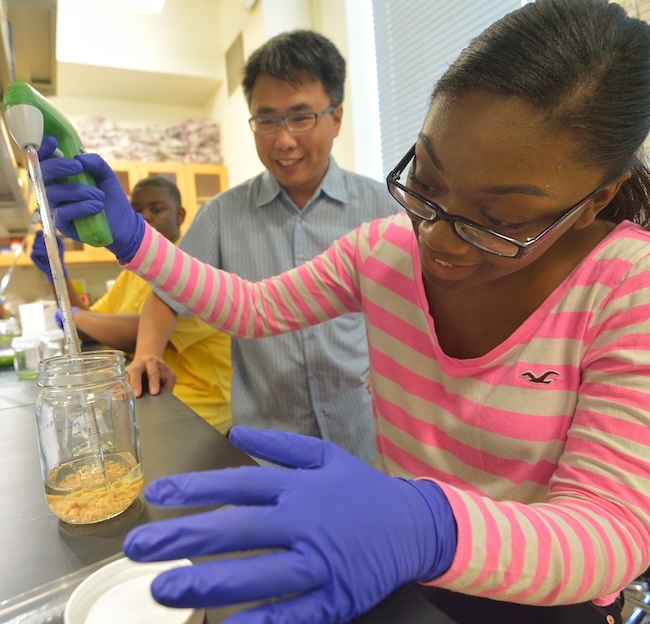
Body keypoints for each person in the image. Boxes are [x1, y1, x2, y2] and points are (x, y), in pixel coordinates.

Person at [38, 0, 650, 622]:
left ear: (594, 199)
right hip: (393, 564)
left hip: (539, 591)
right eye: (429, 184)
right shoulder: (383, 250)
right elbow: (251, 308)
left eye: (498, 222)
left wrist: (429, 524)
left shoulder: (629, 286)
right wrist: (133, 241)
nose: (436, 239)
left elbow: (610, 528)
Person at [126, 30, 401, 462]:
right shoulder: (220, 214)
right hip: (266, 444)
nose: (284, 140)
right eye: (267, 119)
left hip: (363, 435)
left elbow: (421, 303)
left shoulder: (384, 207)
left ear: (337, 118)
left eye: (301, 117)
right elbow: (166, 294)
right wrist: (147, 355)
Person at [31, 175, 232, 433]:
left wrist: (77, 317)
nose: (145, 217)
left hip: (198, 413)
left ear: (180, 215)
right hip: (149, 396)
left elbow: (143, 332)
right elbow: (93, 323)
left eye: (156, 209)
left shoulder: (195, 267)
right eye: (136, 211)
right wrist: (56, 270)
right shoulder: (136, 270)